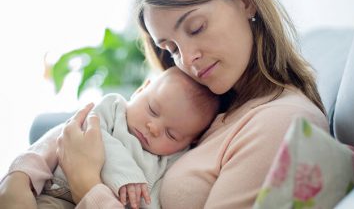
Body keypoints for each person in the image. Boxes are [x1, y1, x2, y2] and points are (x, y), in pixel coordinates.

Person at [0, 0, 329, 209]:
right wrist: (19, 179)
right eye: (170, 48)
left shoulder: (282, 124)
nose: (187, 59)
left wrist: (88, 183)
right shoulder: (212, 100)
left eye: (196, 27)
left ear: (245, 0)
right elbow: (92, 124)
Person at [1, 67, 219, 209]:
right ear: (141, 90)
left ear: (189, 143)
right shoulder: (113, 109)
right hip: (53, 193)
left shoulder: (169, 163)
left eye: (171, 134)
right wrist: (21, 176)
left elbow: (152, 199)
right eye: (152, 110)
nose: (153, 128)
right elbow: (75, 136)